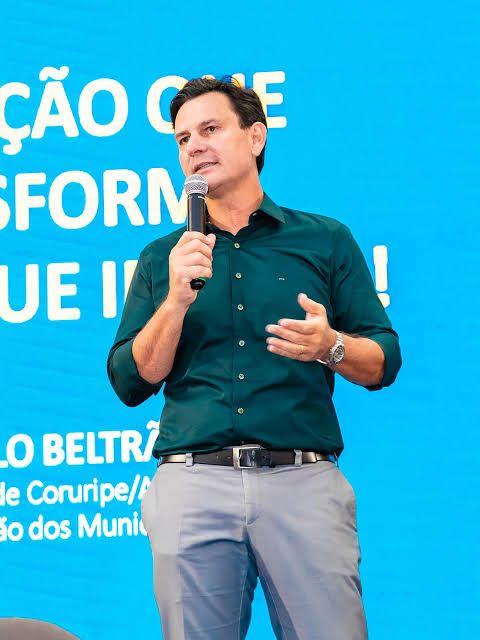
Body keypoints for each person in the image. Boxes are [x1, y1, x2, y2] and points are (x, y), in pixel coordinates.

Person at [107, 77, 402, 640]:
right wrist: (175, 300)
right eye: (182, 138)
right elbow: (129, 380)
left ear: (256, 137)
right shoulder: (164, 258)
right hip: (193, 484)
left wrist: (330, 345)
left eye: (210, 129)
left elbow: (383, 361)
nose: (194, 146)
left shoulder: (325, 240)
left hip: (303, 481)